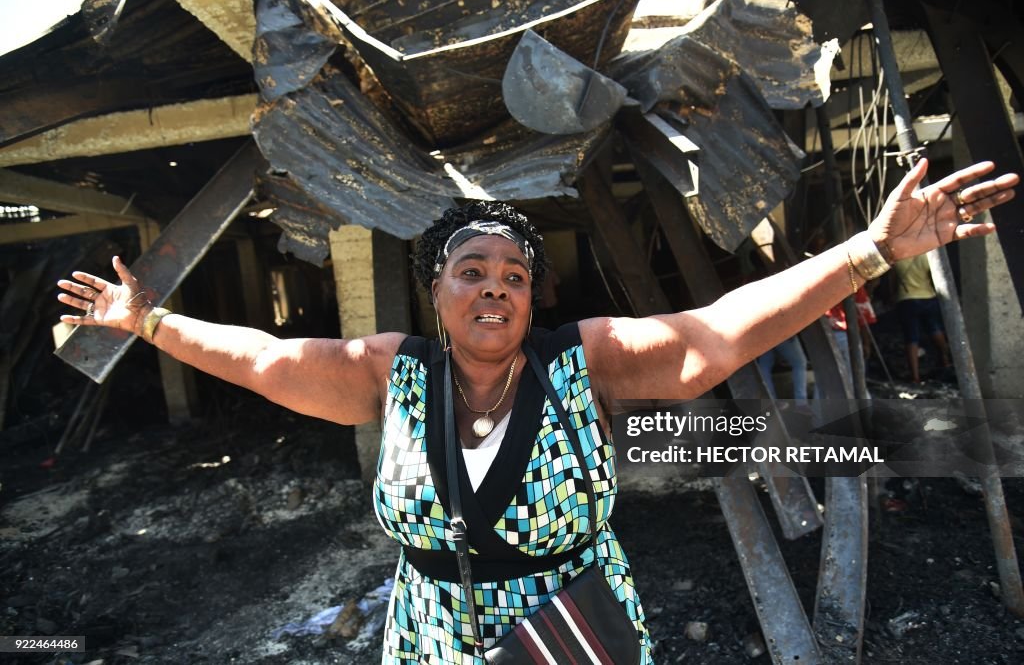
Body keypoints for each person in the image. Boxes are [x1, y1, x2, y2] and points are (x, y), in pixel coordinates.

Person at [56, 158, 1016, 663]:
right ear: (436, 291)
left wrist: (869, 253)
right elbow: (264, 357)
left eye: (514, 276)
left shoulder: (578, 363)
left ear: (531, 297)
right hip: (431, 639)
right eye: (470, 271)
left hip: (578, 633)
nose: (494, 289)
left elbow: (713, 336)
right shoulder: (391, 376)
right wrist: (151, 323)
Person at [892, 253, 951, 383]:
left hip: (906, 299)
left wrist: (890, 298)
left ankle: (915, 376)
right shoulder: (926, 256)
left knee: (911, 338)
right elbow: (934, 278)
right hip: (928, 297)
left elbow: (892, 282)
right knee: (935, 329)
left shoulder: (897, 257)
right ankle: (946, 359)